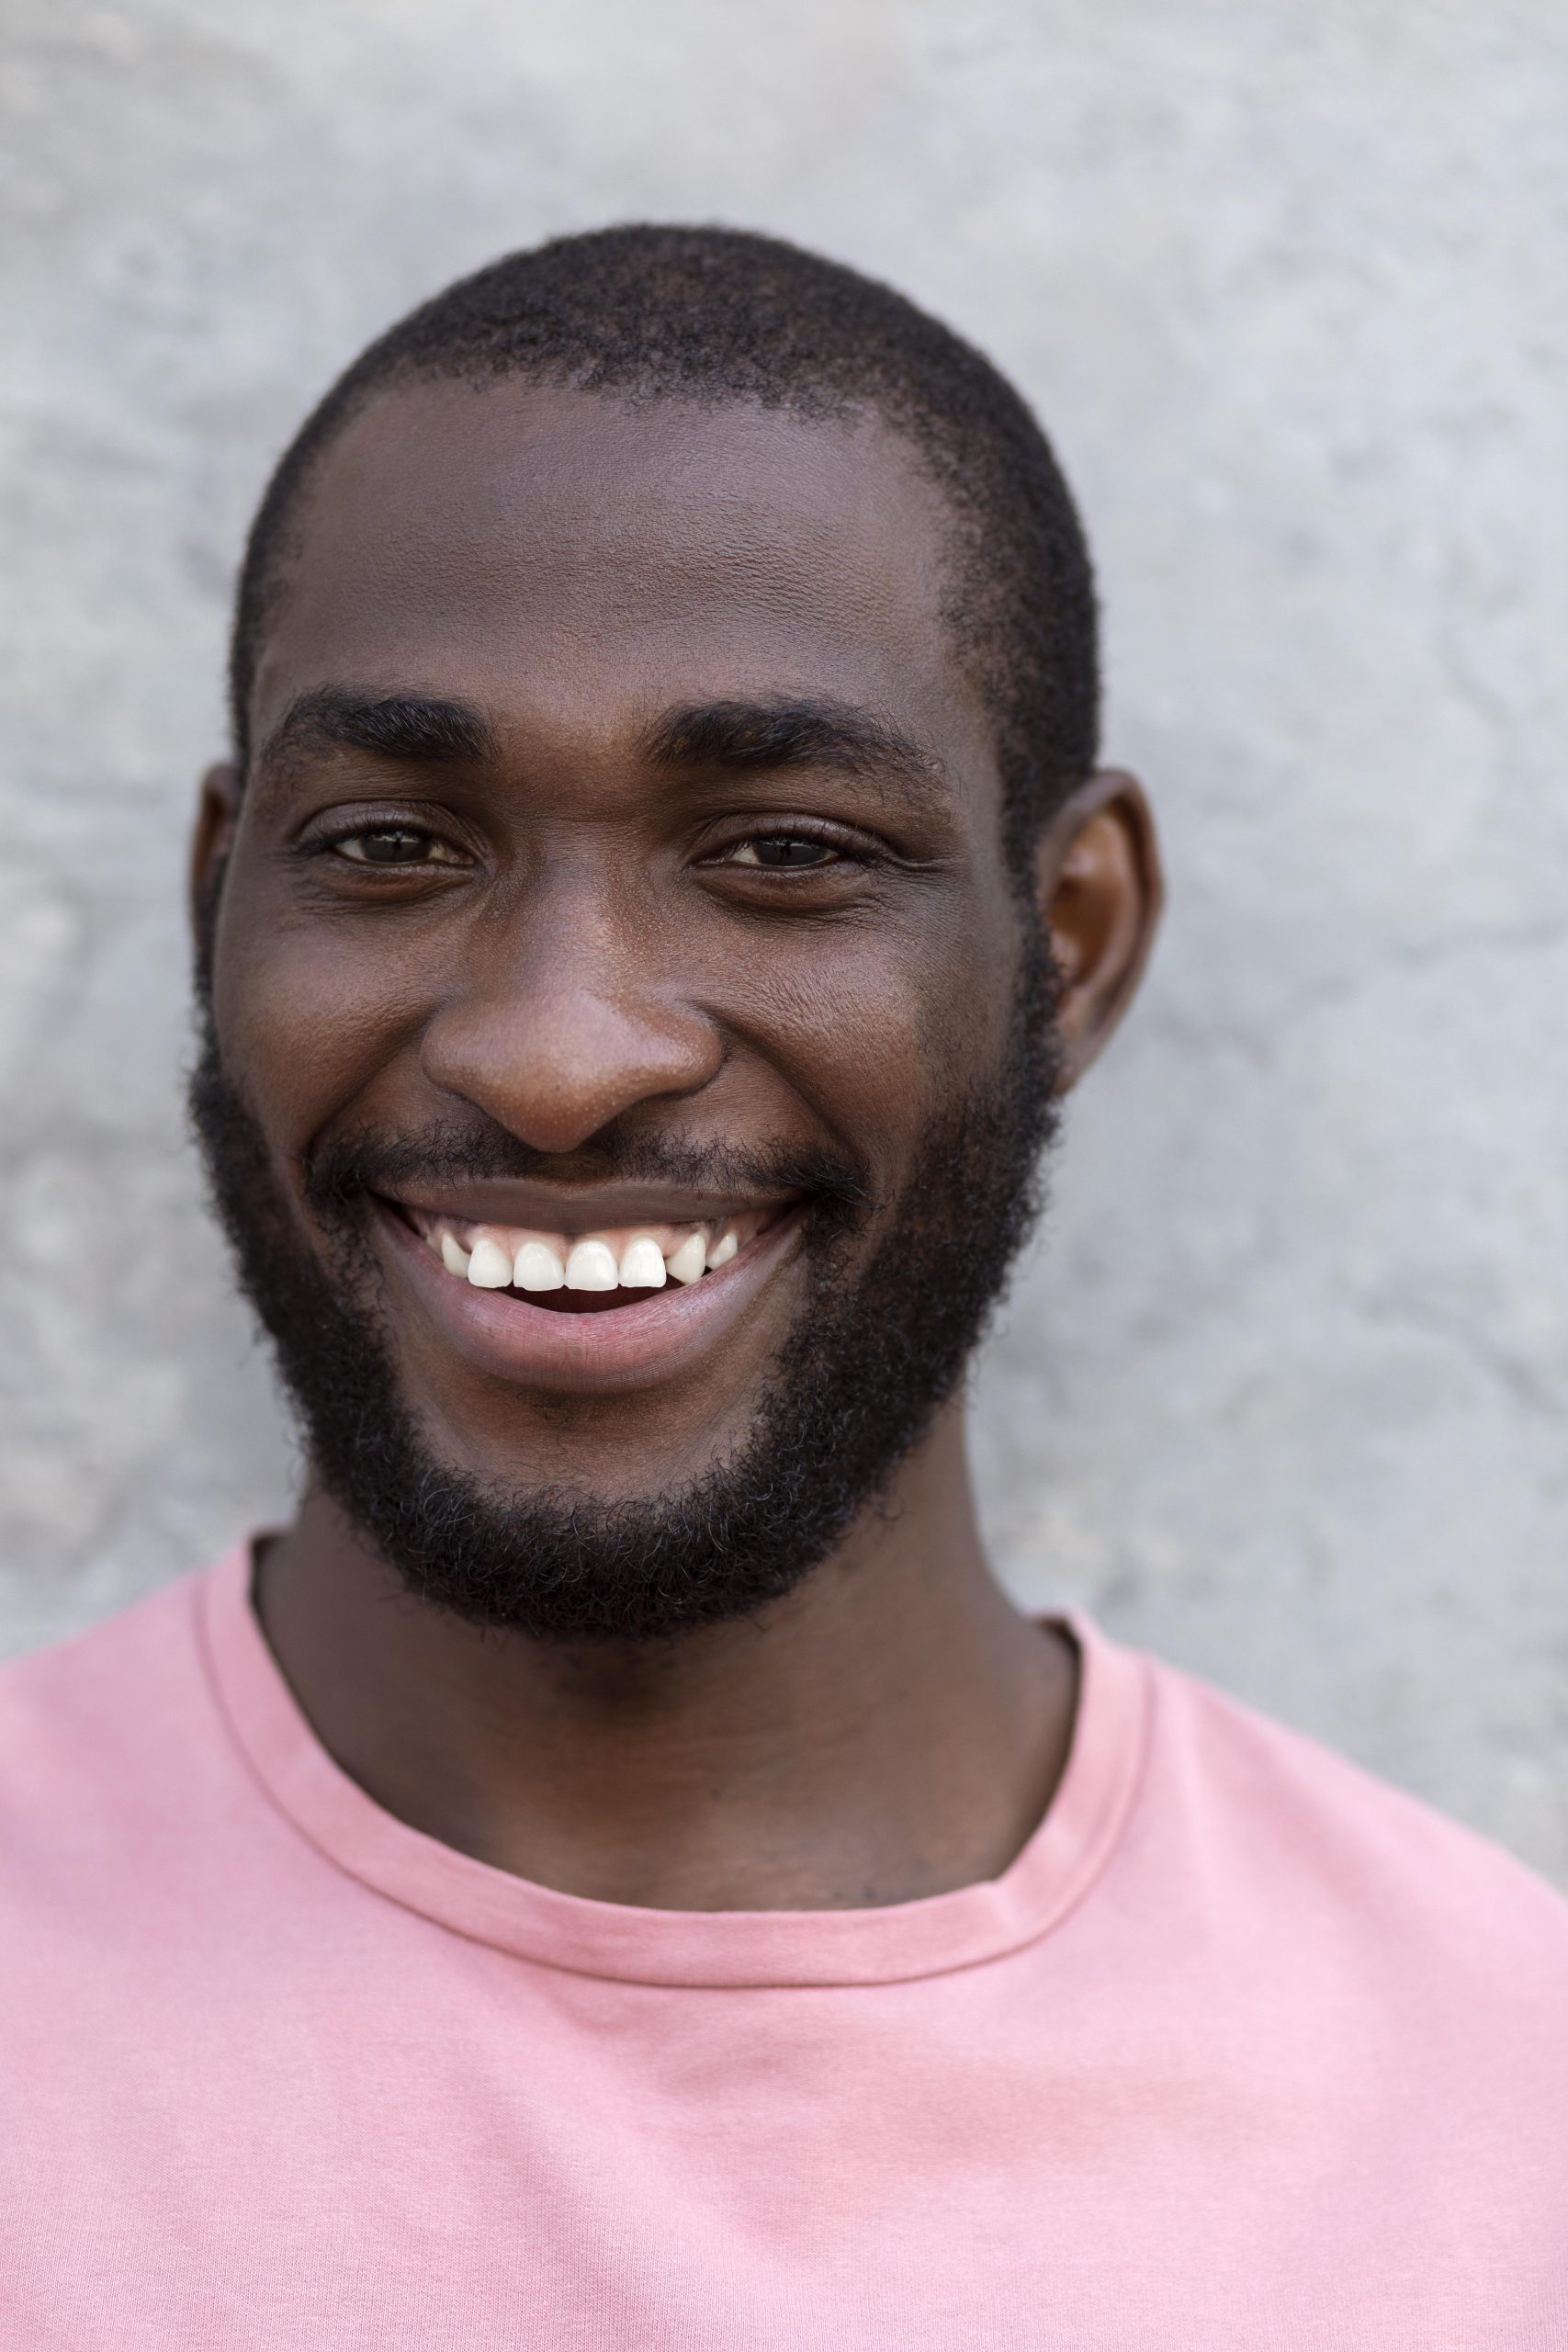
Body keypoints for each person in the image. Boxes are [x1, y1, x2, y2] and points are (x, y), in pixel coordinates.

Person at [2, 225, 1563, 2350]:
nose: (557, 1055)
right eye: (390, 844)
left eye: (782, 851)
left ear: (1070, 940)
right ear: (217, 904)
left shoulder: (1494, 2122)